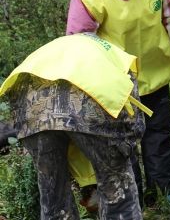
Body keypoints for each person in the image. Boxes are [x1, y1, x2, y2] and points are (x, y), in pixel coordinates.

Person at [66, 0, 170, 216]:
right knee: (122, 144)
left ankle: (166, 191)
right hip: (116, 84)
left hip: (155, 72)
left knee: (159, 134)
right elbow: (79, 42)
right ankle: (131, 195)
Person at [0, 33, 147, 219]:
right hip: (87, 105)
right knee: (116, 186)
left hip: (32, 109)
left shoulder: (55, 50)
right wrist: (125, 149)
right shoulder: (117, 59)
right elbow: (131, 113)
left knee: (53, 193)